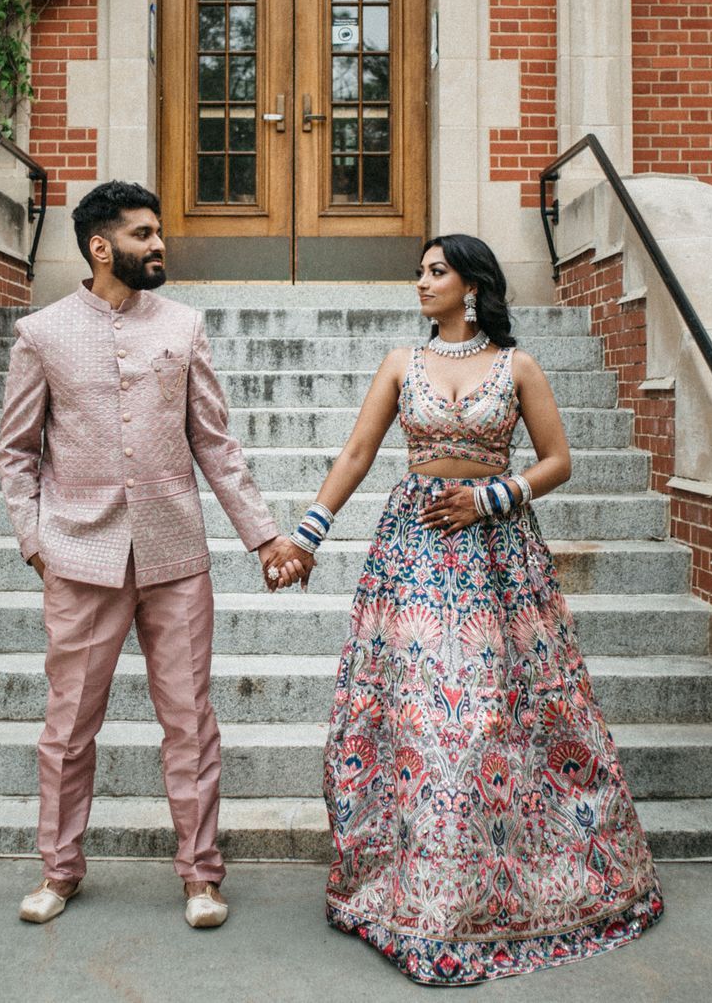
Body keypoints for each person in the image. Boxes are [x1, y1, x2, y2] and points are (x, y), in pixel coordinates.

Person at [269, 234, 664, 985]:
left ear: (472, 285)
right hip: (415, 548)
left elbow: (557, 460)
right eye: (420, 271)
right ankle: (419, 894)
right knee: (422, 717)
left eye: (436, 271)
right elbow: (356, 453)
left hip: (497, 558)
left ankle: (501, 887)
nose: (421, 282)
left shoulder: (516, 367)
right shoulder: (401, 364)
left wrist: (490, 497)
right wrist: (308, 534)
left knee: (496, 715)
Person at [0, 181, 310, 930]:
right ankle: (59, 871)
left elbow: (215, 444)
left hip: (174, 557)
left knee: (190, 722)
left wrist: (265, 536)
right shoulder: (42, 333)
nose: (159, 243)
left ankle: (201, 877)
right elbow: (15, 452)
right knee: (68, 726)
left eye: (159, 232)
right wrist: (36, 541)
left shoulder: (184, 325)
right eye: (142, 235)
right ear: (102, 248)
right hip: (80, 555)